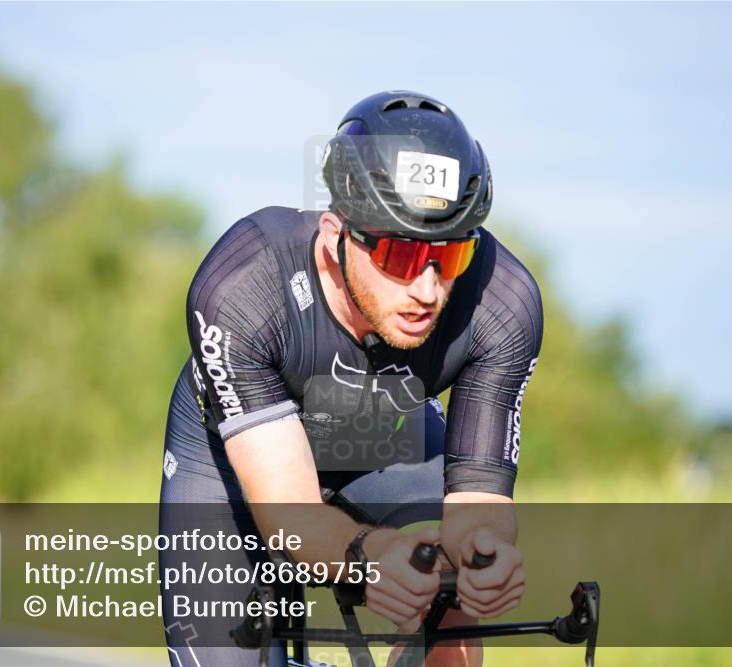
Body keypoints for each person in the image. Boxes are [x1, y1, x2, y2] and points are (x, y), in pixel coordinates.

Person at [159, 90, 543, 667]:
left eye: (451, 255)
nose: (428, 288)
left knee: (453, 602)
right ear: (335, 237)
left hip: (382, 431)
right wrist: (369, 554)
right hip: (232, 455)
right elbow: (289, 511)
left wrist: (484, 553)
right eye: (400, 256)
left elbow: (479, 503)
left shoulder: (503, 301)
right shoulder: (244, 286)